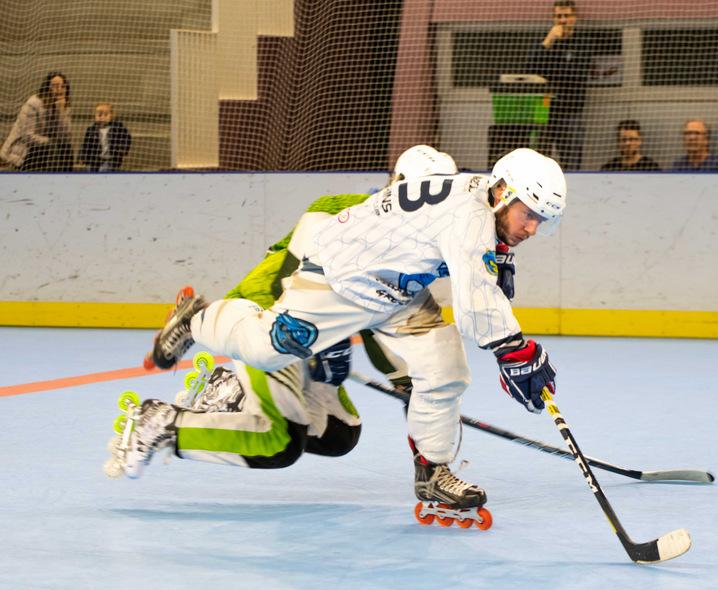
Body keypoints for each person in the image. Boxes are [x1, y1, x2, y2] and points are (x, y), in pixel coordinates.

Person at [127, 148, 563, 520]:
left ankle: (433, 472)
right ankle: (197, 319)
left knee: (445, 367)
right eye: (529, 216)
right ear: (504, 192)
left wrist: (502, 263)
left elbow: (482, 268)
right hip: (341, 280)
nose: (532, 229)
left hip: (397, 291)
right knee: (270, 348)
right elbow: (476, 308)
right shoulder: (467, 217)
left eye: (541, 221)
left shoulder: (484, 195)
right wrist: (515, 351)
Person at [526, 0, 592, 170]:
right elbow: (530, 69)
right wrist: (548, 40)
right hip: (545, 111)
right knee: (539, 158)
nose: (562, 20)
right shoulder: (545, 42)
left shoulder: (583, 43)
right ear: (553, 18)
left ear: (574, 18)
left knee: (571, 159)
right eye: (558, 16)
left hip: (571, 111)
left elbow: (576, 74)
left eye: (567, 15)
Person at [1, 72, 74, 171]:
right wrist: (50, 141)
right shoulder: (33, 104)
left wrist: (61, 112)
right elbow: (27, 136)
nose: (59, 89)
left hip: (45, 150)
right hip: (24, 151)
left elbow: (65, 137)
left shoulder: (64, 106)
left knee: (66, 149)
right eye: (55, 86)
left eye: (62, 86)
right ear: (47, 88)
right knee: (49, 148)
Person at [79, 103, 132, 171]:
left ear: (112, 116)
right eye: (99, 115)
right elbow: (85, 144)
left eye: (106, 115)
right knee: (89, 170)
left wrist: (123, 149)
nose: (102, 117)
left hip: (110, 158)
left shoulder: (118, 127)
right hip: (94, 159)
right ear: (95, 116)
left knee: (103, 170)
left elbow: (127, 138)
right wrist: (82, 157)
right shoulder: (91, 129)